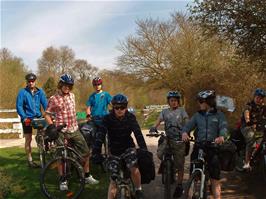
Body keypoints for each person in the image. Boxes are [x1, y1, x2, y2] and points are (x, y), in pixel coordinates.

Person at [44, 74, 99, 191]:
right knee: (61, 156)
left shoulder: (72, 96)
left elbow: (73, 113)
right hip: (61, 131)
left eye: (69, 85)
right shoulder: (53, 99)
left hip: (74, 129)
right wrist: (51, 126)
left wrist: (86, 116)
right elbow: (47, 114)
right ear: (60, 85)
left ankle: (87, 175)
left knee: (85, 152)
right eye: (65, 84)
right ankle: (63, 180)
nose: (67, 87)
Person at [93, 94, 147, 199]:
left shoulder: (130, 117)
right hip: (114, 151)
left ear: (126, 107)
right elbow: (100, 135)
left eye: (122, 107)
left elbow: (138, 133)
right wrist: (96, 152)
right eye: (116, 107)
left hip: (128, 148)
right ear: (113, 107)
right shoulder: (107, 119)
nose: (119, 110)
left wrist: (143, 148)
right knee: (113, 179)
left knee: (133, 168)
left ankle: (138, 189)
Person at [182, 90, 227, 199]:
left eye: (201, 101)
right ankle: (190, 191)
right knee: (193, 172)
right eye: (199, 101)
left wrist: (221, 136)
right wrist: (184, 133)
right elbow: (188, 126)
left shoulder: (219, 115)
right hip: (199, 146)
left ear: (209, 102)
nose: (199, 103)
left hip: (213, 147)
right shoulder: (197, 115)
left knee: (214, 178)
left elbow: (223, 128)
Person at [149, 91, 189, 198]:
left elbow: (187, 122)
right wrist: (154, 127)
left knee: (180, 164)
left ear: (178, 102)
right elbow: (158, 120)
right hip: (168, 138)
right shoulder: (164, 111)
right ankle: (166, 166)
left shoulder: (182, 111)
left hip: (179, 140)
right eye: (172, 101)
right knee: (159, 153)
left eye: (176, 101)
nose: (174, 102)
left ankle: (179, 185)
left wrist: (186, 132)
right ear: (168, 102)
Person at [16, 73, 48, 168]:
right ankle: (30, 160)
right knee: (28, 139)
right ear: (27, 82)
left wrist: (48, 114)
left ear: (35, 81)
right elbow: (19, 106)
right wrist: (24, 117)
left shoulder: (40, 92)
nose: (31, 83)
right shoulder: (22, 92)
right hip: (27, 119)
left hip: (38, 117)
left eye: (32, 81)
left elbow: (45, 104)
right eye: (29, 81)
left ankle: (42, 154)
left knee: (42, 137)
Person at [86, 77, 112, 158]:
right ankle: (96, 155)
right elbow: (88, 107)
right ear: (93, 86)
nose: (97, 86)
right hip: (95, 120)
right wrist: (88, 115)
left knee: (108, 138)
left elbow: (112, 103)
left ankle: (109, 155)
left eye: (99, 84)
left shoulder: (106, 94)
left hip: (104, 119)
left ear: (101, 85)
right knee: (94, 138)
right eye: (95, 85)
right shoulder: (92, 96)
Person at [240, 88, 266, 169]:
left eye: (261, 98)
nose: (259, 99)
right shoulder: (249, 106)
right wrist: (248, 121)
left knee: (261, 140)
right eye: (258, 97)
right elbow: (246, 115)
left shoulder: (263, 107)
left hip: (258, 128)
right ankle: (247, 163)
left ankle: (256, 157)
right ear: (254, 97)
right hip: (247, 127)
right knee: (251, 139)